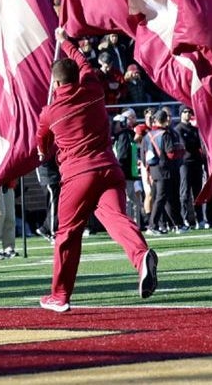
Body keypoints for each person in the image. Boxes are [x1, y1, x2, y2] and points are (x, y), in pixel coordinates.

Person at [35, 28, 157, 313]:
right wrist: (65, 42)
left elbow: (42, 146)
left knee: (67, 234)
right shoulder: (92, 87)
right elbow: (83, 62)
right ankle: (141, 257)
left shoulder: (50, 112)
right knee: (116, 219)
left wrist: (44, 145)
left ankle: (60, 295)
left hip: (78, 175)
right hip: (109, 168)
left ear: (55, 83)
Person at [144, 108, 184, 234]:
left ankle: (178, 224)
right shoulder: (165, 134)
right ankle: (152, 226)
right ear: (166, 120)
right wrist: (181, 152)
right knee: (161, 198)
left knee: (166, 199)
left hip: (154, 170)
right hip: (165, 170)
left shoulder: (148, 135)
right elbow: (171, 154)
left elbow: (144, 155)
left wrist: (148, 172)